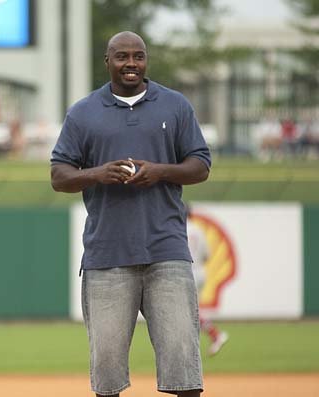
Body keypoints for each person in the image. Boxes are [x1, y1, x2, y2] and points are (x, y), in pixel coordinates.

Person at [50, 31, 211, 397]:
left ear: (146, 60)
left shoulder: (175, 106)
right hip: (107, 253)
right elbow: (59, 176)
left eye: (138, 56)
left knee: (183, 364)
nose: (131, 64)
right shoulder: (83, 112)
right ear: (107, 61)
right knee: (106, 373)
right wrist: (98, 173)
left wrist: (160, 170)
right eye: (122, 57)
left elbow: (200, 165)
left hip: (166, 251)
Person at [186, 204, 229, 356]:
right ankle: (213, 335)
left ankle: (215, 335)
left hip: (186, 272)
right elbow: (207, 255)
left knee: (187, 311)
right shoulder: (198, 229)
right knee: (191, 310)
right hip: (200, 272)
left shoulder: (178, 228)